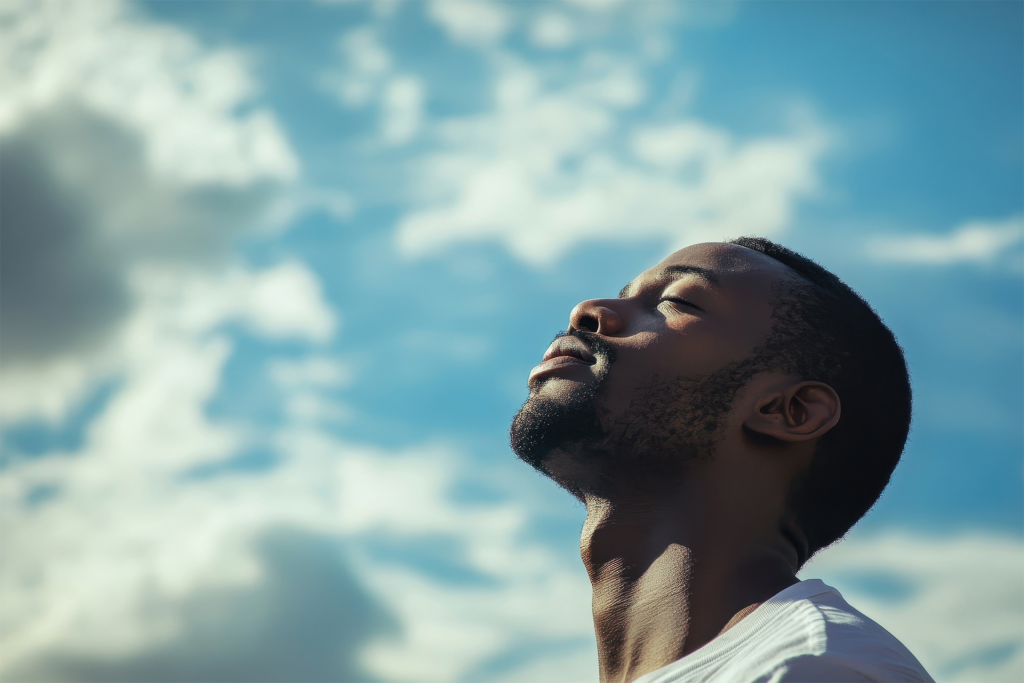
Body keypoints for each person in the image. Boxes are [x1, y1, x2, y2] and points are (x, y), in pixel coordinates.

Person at [510, 238, 935, 683]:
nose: (588, 309)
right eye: (624, 294)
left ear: (787, 411)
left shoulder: (812, 669)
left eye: (678, 301)